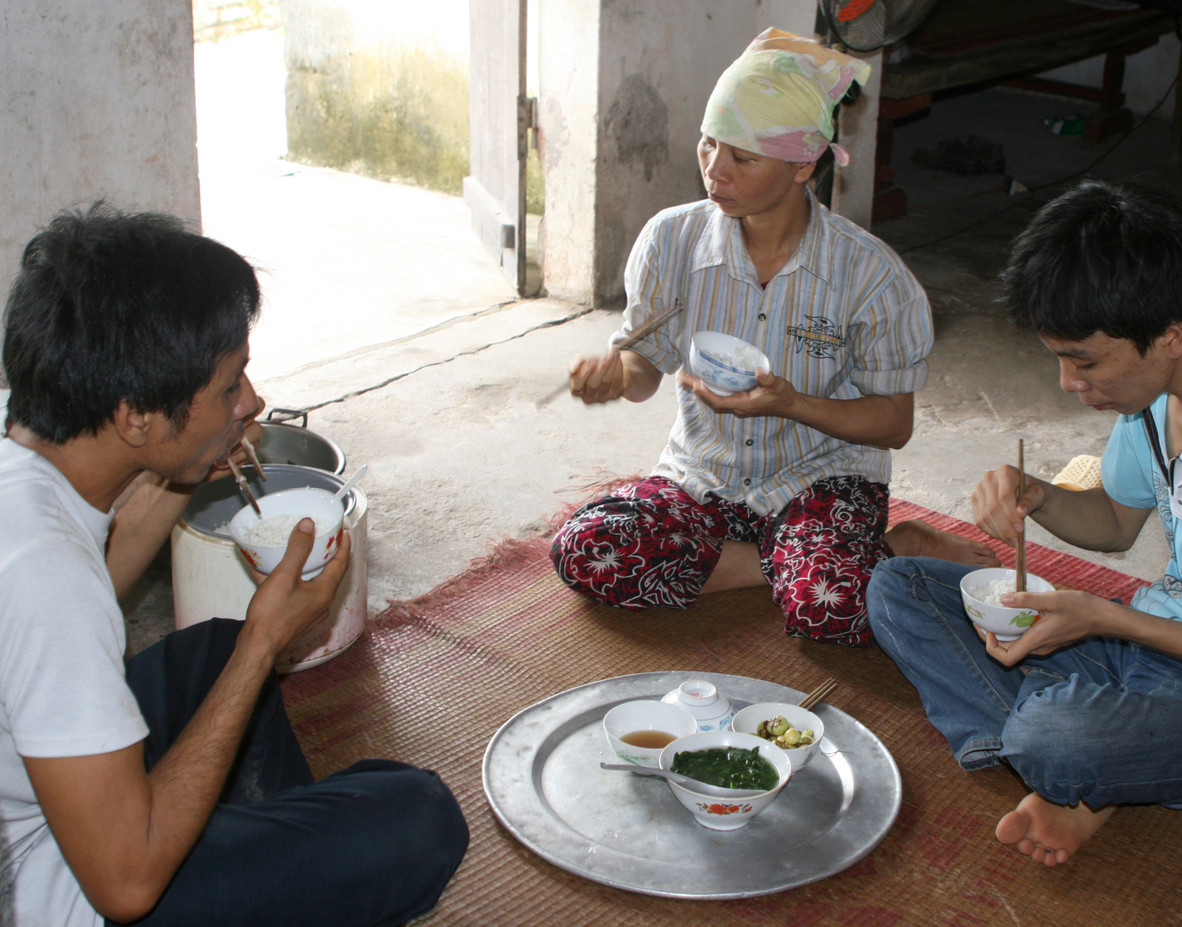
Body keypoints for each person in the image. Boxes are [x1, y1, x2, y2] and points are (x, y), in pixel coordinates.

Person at [867, 179, 1182, 866]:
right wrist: (1036, 495)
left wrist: (1108, 618)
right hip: (1150, 648)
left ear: (1170, 334)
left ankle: (1064, 766)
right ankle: (1078, 774)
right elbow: (1113, 520)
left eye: (1085, 360)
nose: (1070, 383)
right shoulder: (1154, 400)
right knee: (899, 588)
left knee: (1054, 735)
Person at [0, 204, 467, 926]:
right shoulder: (45, 580)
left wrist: (198, 457)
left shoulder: (24, 451)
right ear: (135, 418)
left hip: (37, 785)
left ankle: (270, 871)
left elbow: (96, 578)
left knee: (212, 652)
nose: (251, 401)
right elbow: (126, 884)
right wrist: (264, 645)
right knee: (415, 814)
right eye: (228, 386)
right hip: (49, 879)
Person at [550, 28, 996, 647]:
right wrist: (612, 375)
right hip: (704, 474)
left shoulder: (871, 276)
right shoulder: (670, 241)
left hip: (821, 476)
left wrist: (791, 403)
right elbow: (641, 372)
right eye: (708, 144)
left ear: (803, 166)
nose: (714, 169)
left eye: (742, 157)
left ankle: (873, 548)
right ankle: (804, 563)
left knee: (832, 614)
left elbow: (894, 424)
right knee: (586, 551)